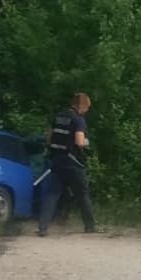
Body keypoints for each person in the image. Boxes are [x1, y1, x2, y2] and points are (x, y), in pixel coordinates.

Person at [38, 92, 96, 236]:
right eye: (87, 107)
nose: (87, 111)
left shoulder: (58, 117)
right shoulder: (78, 120)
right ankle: (90, 226)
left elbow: (49, 138)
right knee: (82, 194)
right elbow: (79, 142)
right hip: (72, 162)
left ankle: (43, 227)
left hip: (57, 161)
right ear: (82, 106)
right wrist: (87, 142)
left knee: (53, 193)